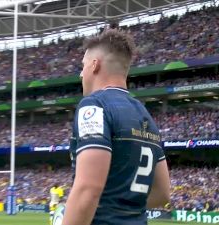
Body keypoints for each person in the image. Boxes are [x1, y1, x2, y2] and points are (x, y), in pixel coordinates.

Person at [61, 29, 171, 225]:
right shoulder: (145, 114)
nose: (80, 73)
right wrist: (124, 208)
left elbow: (88, 188)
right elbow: (162, 193)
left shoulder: (94, 106)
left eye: (83, 65)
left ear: (95, 65)